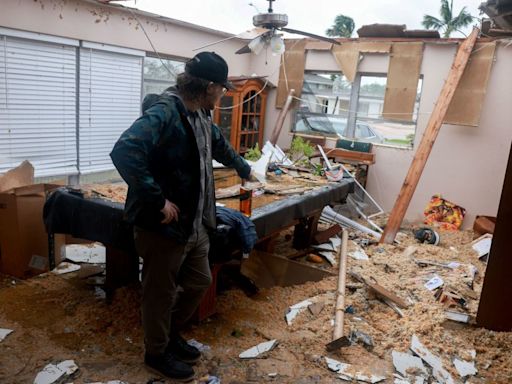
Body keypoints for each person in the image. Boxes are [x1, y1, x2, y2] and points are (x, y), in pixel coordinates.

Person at [110, 52, 254, 382]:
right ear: (208, 87)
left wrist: (244, 168)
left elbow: (216, 144)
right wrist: (157, 199)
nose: (223, 94)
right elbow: (125, 150)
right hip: (164, 227)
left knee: (200, 281)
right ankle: (156, 352)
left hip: (195, 224)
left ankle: (169, 333)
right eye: (222, 88)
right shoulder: (166, 111)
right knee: (158, 293)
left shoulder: (201, 112)